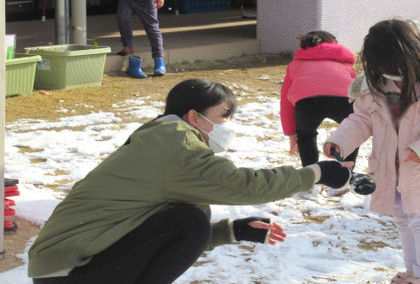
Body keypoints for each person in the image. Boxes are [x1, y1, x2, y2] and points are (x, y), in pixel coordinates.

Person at [28, 79, 354, 284]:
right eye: (224, 115)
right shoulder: (177, 144)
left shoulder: (161, 140)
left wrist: (230, 232)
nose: (229, 124)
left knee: (191, 221)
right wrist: (316, 173)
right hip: (72, 271)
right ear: (194, 117)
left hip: (65, 269)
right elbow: (244, 186)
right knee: (191, 221)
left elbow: (150, 232)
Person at [323, 19, 420, 284]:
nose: (391, 70)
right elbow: (361, 119)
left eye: (396, 63)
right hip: (391, 167)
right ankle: (413, 272)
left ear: (415, 53)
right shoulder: (374, 85)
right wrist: (341, 140)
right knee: (403, 219)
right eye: (383, 64)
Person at [280, 30, 358, 166]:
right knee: (352, 133)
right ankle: (346, 173)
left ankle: (311, 176)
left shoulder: (295, 65)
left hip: (307, 103)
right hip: (343, 100)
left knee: (306, 136)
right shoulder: (345, 64)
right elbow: (357, 92)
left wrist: (292, 136)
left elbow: (286, 103)